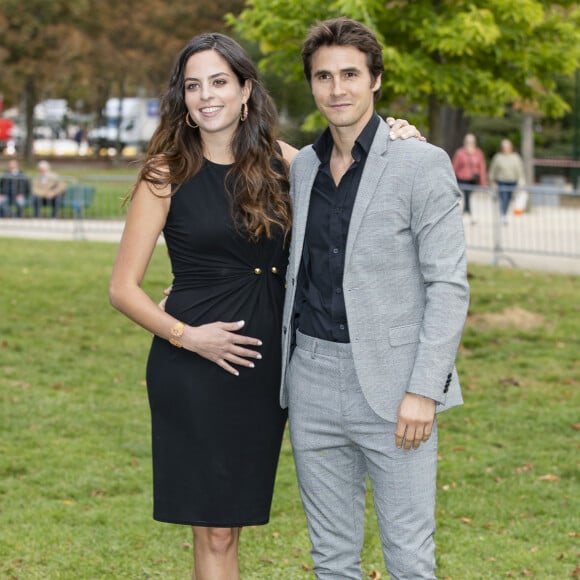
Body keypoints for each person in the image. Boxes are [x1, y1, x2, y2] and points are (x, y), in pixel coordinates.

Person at [109, 31, 420, 580]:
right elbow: (123, 289)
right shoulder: (165, 174)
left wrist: (399, 135)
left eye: (219, 82)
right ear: (182, 99)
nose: (207, 96)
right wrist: (187, 333)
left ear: (246, 90)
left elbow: (360, 179)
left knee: (242, 517)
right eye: (193, 86)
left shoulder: (291, 164)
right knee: (215, 527)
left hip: (270, 371)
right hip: (194, 367)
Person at [279, 18, 470, 579]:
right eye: (323, 76)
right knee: (332, 559)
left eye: (350, 74)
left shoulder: (420, 162)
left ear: (376, 80)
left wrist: (423, 391)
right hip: (310, 381)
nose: (337, 89)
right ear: (311, 85)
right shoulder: (304, 167)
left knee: (409, 559)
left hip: (395, 388)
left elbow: (449, 285)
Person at [488, 138, 526, 225]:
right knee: (504, 198)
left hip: (513, 181)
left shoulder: (515, 157)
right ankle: (503, 215)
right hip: (502, 181)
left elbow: (519, 169)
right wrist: (492, 180)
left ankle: (504, 214)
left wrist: (521, 180)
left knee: (508, 199)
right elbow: (493, 169)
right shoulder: (498, 157)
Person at [452, 132, 487, 223]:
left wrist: (483, 182)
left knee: (472, 199)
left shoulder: (478, 153)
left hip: (474, 180)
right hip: (462, 179)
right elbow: (455, 167)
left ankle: (472, 216)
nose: (470, 143)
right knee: (463, 198)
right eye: (468, 141)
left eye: (471, 141)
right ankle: (463, 216)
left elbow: (482, 167)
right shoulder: (460, 153)